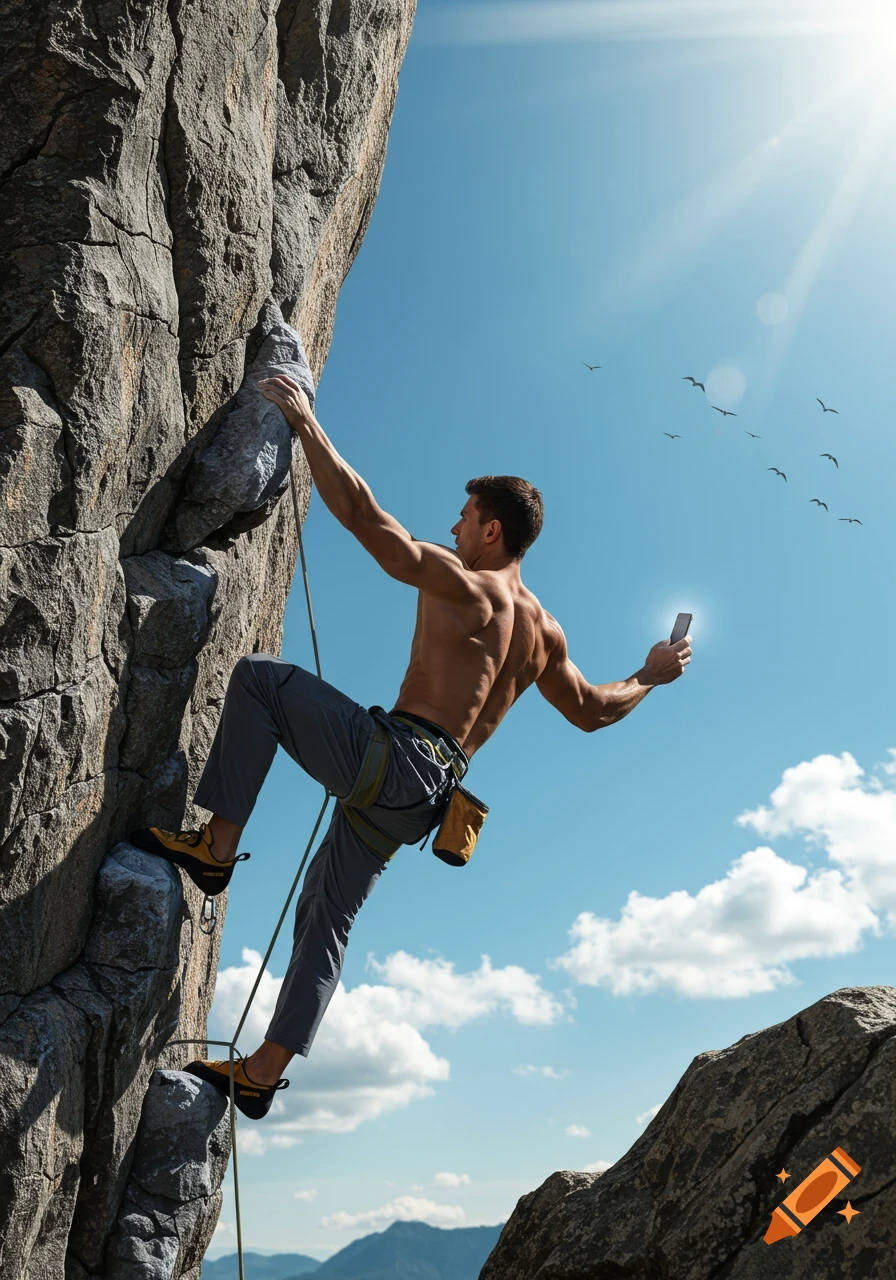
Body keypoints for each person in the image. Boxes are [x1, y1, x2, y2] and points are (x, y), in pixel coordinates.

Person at [132, 375, 692, 1119]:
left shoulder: (469, 584)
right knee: (325, 919)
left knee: (262, 681)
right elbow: (593, 711)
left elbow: (368, 522)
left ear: (492, 530)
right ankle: (262, 1073)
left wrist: (307, 426)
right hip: (426, 803)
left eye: (464, 518)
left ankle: (216, 848)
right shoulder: (543, 633)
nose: (454, 527)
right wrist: (650, 676)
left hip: (394, 757)